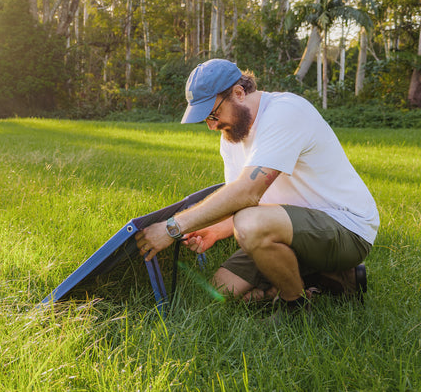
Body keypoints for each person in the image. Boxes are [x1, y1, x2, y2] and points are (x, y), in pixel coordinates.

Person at [134, 59, 379, 309]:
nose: (212, 126)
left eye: (213, 114)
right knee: (219, 291)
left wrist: (171, 228)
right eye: (205, 120)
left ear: (239, 93)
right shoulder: (231, 137)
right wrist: (215, 230)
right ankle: (332, 279)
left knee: (250, 224)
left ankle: (294, 303)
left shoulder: (285, 112)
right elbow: (237, 204)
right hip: (289, 228)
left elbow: (247, 194)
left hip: (345, 227)